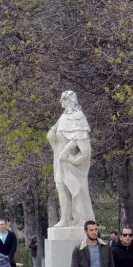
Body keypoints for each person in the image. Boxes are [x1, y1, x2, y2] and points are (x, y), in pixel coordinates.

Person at [48, 90, 95, 227]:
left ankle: (74, 219)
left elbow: (81, 143)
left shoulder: (78, 116)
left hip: (69, 162)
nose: (61, 102)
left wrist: (68, 154)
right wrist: (51, 135)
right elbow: (54, 132)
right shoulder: (63, 116)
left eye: (64, 99)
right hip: (59, 159)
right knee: (60, 187)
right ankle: (65, 218)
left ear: (70, 100)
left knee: (72, 189)